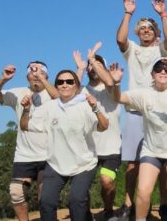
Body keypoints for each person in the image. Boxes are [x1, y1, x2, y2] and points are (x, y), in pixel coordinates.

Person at [111, 58, 167, 221]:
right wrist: (116, 84)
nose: (163, 72)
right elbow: (119, 98)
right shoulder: (144, 94)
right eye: (158, 69)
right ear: (152, 74)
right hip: (151, 149)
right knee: (143, 191)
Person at [20, 70, 109, 221]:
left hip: (84, 164)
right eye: (60, 82)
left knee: (76, 200)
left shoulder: (86, 104)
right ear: (56, 86)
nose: (65, 85)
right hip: (56, 164)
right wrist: (26, 110)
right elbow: (24, 125)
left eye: (69, 81)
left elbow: (103, 126)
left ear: (77, 85)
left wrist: (95, 109)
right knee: (46, 201)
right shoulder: (49, 107)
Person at [115, 0, 167, 219]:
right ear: (137, 33)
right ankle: (129, 205)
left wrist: (163, 15)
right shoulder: (132, 49)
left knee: (161, 161)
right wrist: (128, 13)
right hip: (135, 111)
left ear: (156, 32)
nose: (146, 30)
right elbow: (120, 40)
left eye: (150, 27)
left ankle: (163, 205)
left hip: (161, 112)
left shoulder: (162, 50)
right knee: (133, 164)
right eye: (142, 28)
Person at [0, 60, 58, 221]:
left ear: (47, 74)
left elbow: (60, 99)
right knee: (16, 193)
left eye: (40, 71)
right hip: (24, 156)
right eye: (32, 72)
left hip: (49, 155)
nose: (36, 75)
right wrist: (3, 79)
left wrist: (42, 79)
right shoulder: (18, 93)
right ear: (27, 77)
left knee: (45, 197)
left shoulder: (52, 92)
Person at [72, 42, 126, 221]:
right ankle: (86, 214)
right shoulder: (82, 91)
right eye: (91, 66)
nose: (92, 67)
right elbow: (70, 91)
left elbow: (110, 80)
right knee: (82, 185)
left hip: (111, 148)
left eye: (97, 64)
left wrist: (92, 59)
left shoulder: (112, 88)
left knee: (106, 181)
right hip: (87, 148)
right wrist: (80, 68)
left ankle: (109, 210)